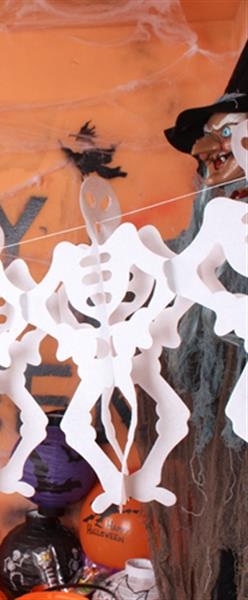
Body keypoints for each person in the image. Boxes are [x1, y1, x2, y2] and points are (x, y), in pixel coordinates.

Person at [140, 41, 248, 600]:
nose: (211, 156)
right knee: (228, 554)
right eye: (210, 143)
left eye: (230, 136)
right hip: (224, 446)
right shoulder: (198, 245)